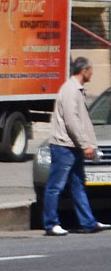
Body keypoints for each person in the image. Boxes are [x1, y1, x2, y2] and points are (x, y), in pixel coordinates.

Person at [43, 56, 110, 236]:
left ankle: (88, 222)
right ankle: (51, 224)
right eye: (91, 70)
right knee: (55, 186)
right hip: (64, 146)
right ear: (84, 71)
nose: (92, 73)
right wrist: (85, 145)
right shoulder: (70, 90)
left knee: (78, 185)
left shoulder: (77, 89)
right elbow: (72, 122)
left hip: (73, 147)